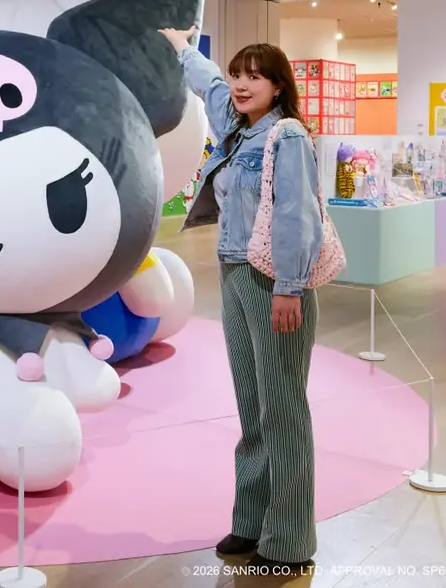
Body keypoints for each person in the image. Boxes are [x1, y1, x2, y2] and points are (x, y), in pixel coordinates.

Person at [158, 28, 323, 571]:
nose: (240, 84)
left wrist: (290, 287)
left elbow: (298, 216)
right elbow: (208, 86)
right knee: (253, 409)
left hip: (274, 281)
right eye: (237, 74)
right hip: (234, 274)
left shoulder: (287, 137)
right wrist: (182, 47)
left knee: (283, 411)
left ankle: (289, 540)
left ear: (278, 86)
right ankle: (251, 522)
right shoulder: (235, 128)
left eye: (254, 76)